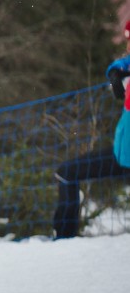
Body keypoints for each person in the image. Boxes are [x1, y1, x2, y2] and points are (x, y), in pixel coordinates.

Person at [54, 20, 130, 238]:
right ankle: (63, 240)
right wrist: (116, 72)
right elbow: (123, 63)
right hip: (121, 154)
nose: (127, 47)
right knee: (66, 173)